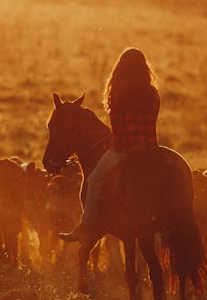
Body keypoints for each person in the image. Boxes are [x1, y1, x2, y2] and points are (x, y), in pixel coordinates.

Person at [59, 47, 160, 243]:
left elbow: (117, 126)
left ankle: (86, 226)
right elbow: (153, 121)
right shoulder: (152, 92)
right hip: (151, 148)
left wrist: (117, 143)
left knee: (94, 179)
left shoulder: (119, 90)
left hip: (125, 149)